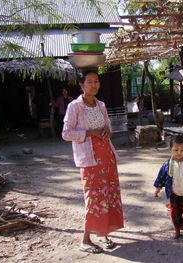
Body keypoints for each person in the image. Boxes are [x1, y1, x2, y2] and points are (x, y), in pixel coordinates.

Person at [62, 70, 123, 253]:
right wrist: (90, 133)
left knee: (108, 194)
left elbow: (108, 127)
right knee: (94, 197)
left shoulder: (101, 105)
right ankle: (86, 240)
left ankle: (103, 235)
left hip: (107, 156)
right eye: (89, 82)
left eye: (96, 81)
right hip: (89, 158)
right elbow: (66, 134)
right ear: (81, 85)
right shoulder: (74, 106)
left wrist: (107, 131)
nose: (94, 85)